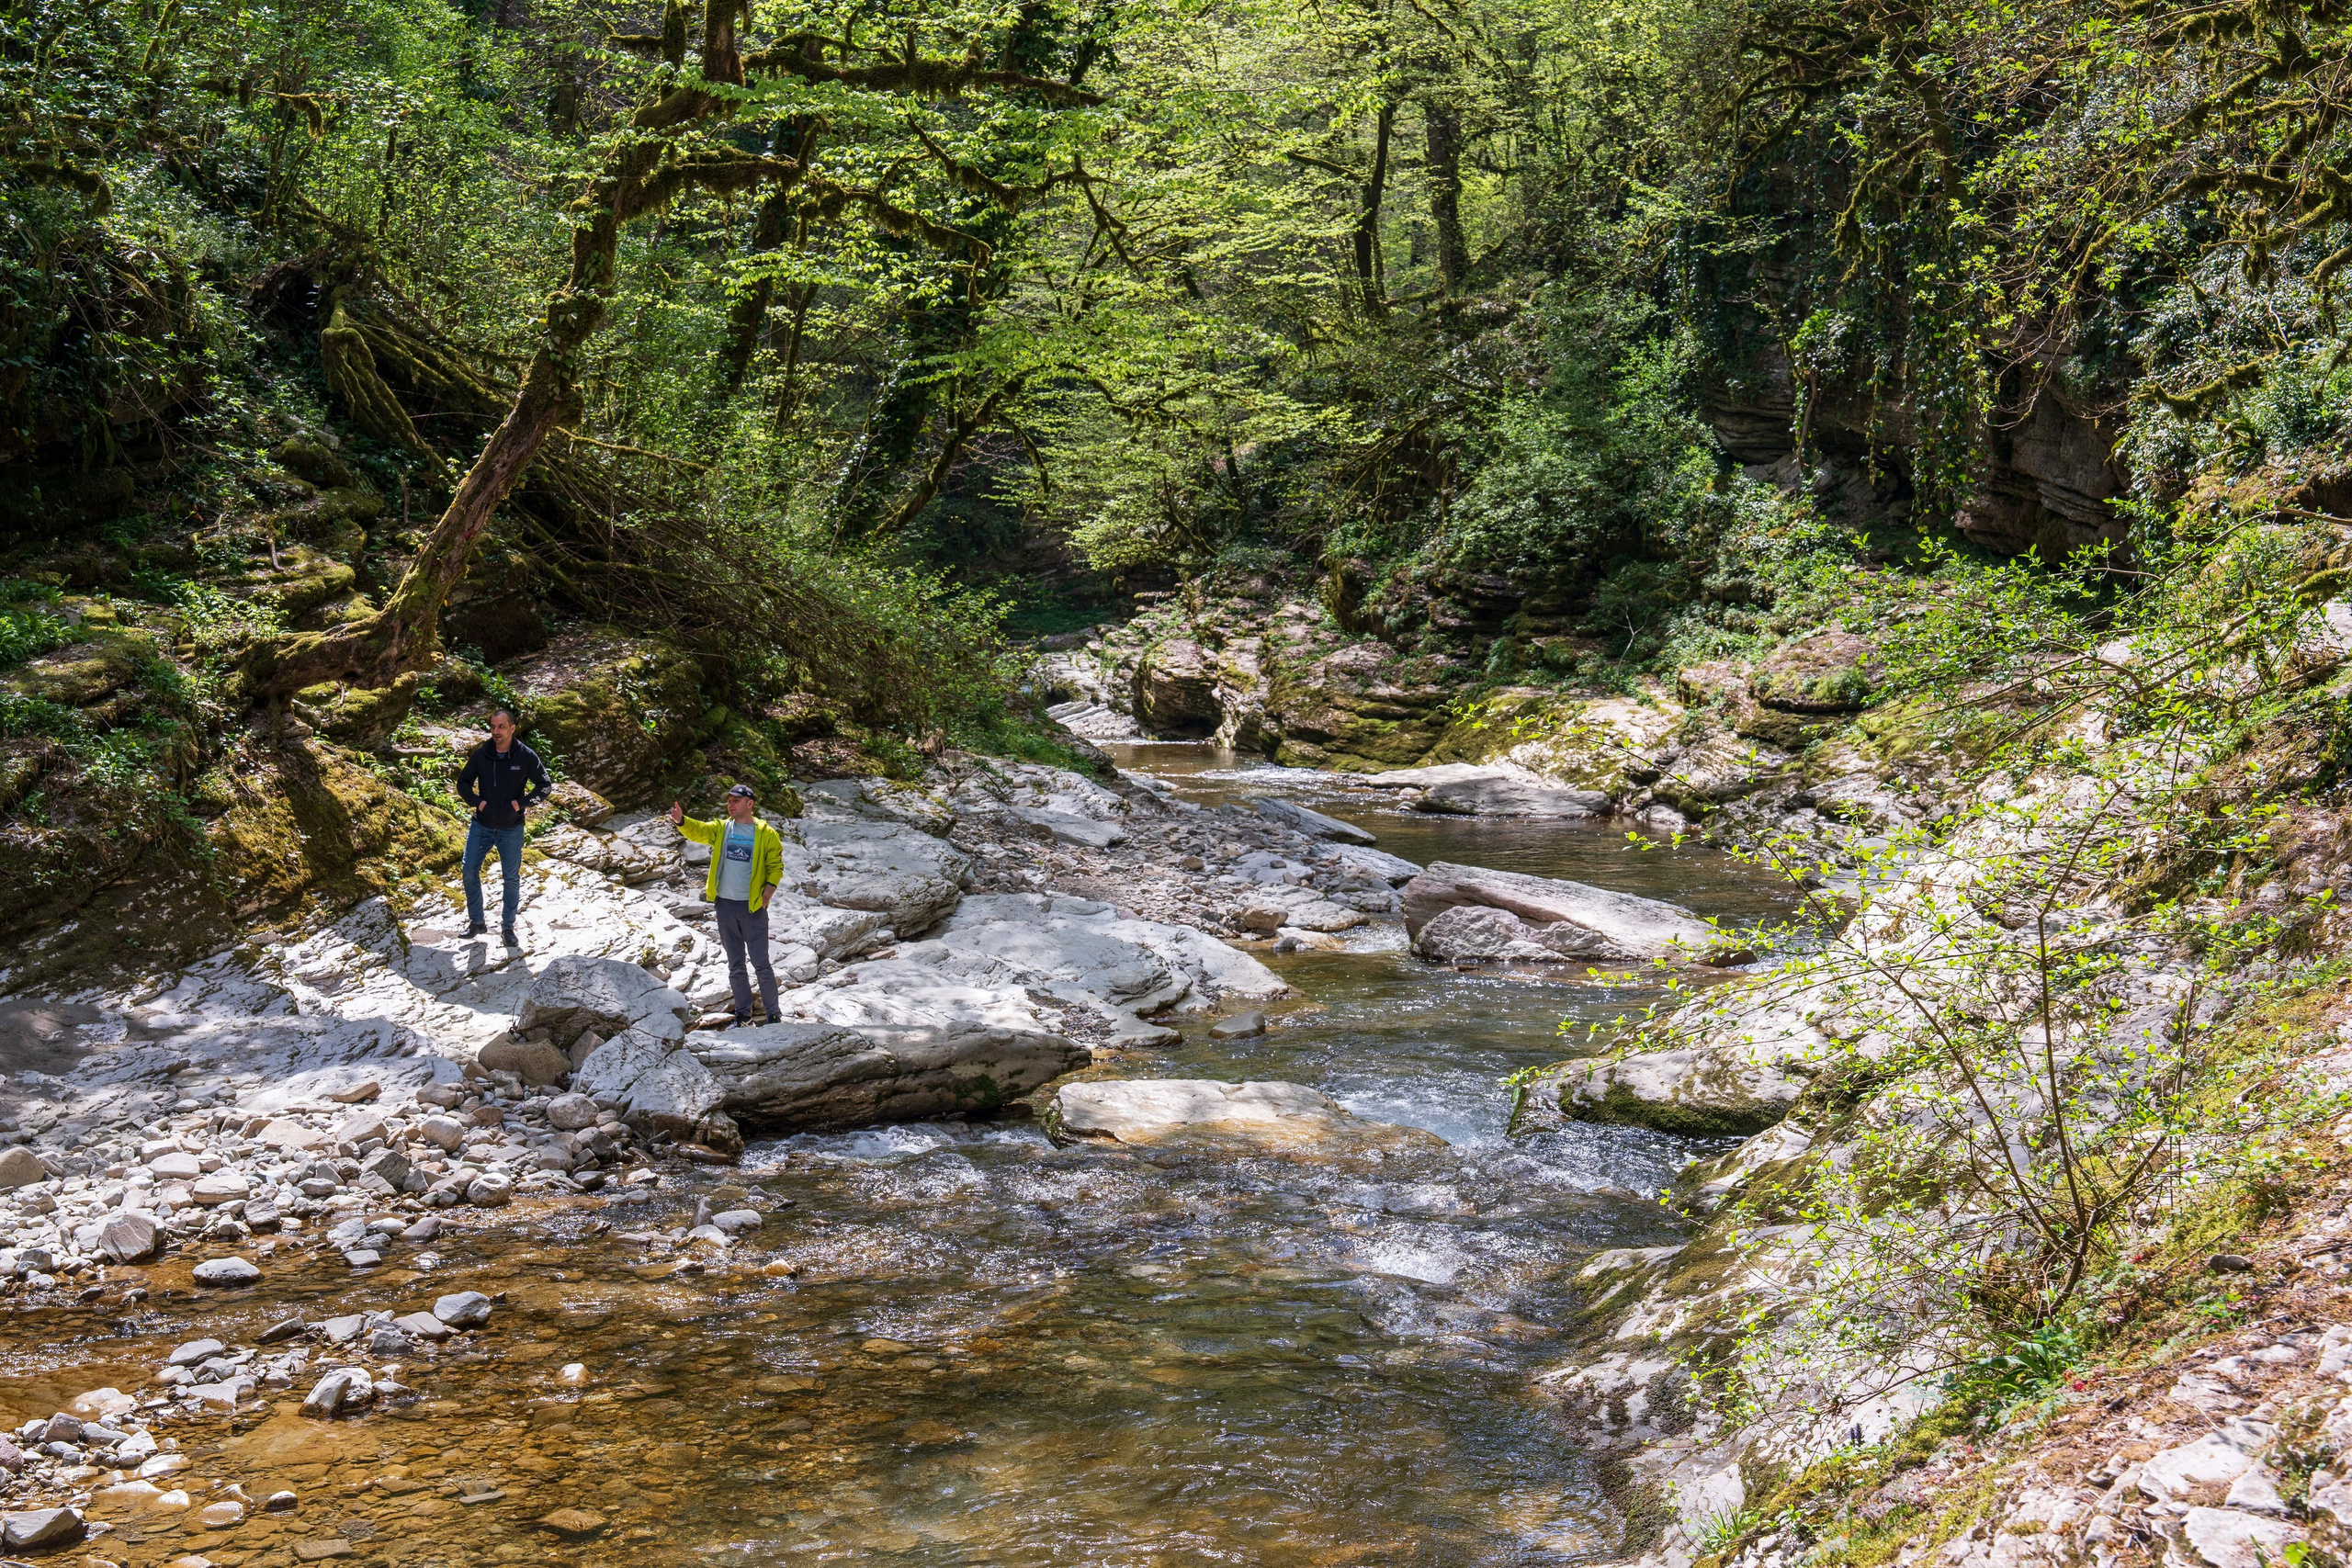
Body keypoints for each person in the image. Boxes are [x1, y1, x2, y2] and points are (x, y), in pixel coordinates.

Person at [672, 785, 786, 1027]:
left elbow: (775, 866)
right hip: (724, 905)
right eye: (729, 801)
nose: (730, 805)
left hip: (752, 908)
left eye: (736, 800)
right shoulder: (723, 828)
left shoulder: (766, 833)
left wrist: (766, 895)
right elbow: (699, 831)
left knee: (761, 964)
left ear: (750, 804)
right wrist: (682, 821)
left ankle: (773, 1015)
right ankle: (743, 1016)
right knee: (735, 964)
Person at [456, 707, 550, 945]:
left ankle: (507, 928)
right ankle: (477, 922)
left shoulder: (525, 756)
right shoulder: (482, 755)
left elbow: (545, 786)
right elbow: (463, 783)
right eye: (493, 726)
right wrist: (478, 803)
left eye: (501, 727)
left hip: (511, 828)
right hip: (482, 825)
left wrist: (521, 803)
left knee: (511, 878)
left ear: (512, 728)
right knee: (468, 870)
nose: (496, 731)